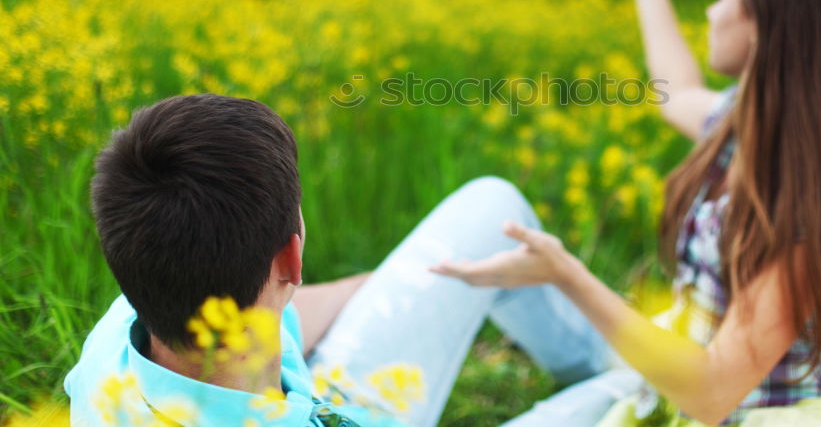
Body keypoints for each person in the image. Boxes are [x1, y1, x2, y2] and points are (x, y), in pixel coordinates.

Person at [431, 0, 821, 426]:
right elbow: (674, 91)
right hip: (676, 378)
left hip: (768, 413)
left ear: (765, 22)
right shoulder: (741, 127)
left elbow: (715, 392)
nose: (710, 12)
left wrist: (566, 274)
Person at [64, 94, 610, 426]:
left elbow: (292, 314)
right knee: (638, 386)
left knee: (491, 208)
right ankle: (609, 366)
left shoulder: (116, 338)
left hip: (308, 398)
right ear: (291, 257)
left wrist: (400, 278)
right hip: (357, 412)